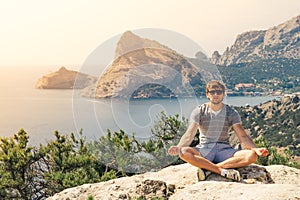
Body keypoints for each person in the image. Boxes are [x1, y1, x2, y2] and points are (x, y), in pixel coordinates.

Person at [168, 80, 269, 181]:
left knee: (251, 156)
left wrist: (255, 149)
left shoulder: (231, 112)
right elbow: (190, 134)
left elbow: (242, 136)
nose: (215, 95)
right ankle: (221, 171)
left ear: (223, 94)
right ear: (207, 94)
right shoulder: (199, 111)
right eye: (212, 92)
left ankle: (208, 170)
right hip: (204, 149)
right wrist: (179, 147)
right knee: (183, 152)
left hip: (224, 150)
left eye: (219, 92)